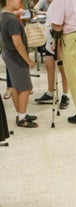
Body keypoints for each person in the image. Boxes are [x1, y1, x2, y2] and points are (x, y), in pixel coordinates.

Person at [0, 0, 38, 128]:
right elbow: (17, 42)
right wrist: (28, 60)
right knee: (26, 88)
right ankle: (22, 119)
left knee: (16, 86)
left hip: (7, 54)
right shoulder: (12, 21)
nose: (19, 1)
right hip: (17, 58)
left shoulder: (3, 15)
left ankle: (21, 113)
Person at [33, 0, 70, 109]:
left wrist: (56, 40)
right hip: (49, 39)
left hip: (59, 40)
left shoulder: (63, 2)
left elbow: (62, 24)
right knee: (49, 66)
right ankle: (50, 93)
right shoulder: (51, 4)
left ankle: (65, 95)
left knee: (63, 68)